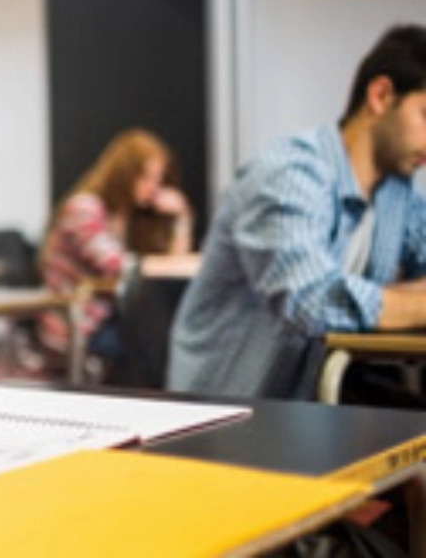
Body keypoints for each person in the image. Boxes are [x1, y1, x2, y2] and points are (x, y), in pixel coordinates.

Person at [167, 24, 426, 401]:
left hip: (316, 403)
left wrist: (399, 303)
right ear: (381, 96)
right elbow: (313, 302)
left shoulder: (398, 193)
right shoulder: (289, 171)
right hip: (229, 413)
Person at [35, 128, 193, 379]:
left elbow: (172, 265)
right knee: (161, 345)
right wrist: (164, 266)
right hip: (82, 324)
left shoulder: (133, 217)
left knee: (170, 333)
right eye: (147, 178)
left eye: (159, 180)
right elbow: (118, 265)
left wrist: (182, 217)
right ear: (124, 174)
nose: (154, 188)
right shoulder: (85, 208)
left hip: (118, 316)